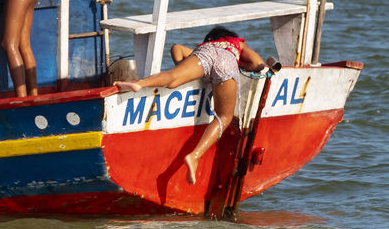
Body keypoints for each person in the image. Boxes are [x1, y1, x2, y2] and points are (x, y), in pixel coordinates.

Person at [114, 26, 272, 184]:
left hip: (204, 56)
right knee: (224, 117)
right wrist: (239, 63)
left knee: (172, 78)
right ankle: (194, 156)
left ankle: (140, 84)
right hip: (227, 61)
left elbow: (176, 48)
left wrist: (185, 70)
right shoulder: (236, 43)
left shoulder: (207, 45)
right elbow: (258, 64)